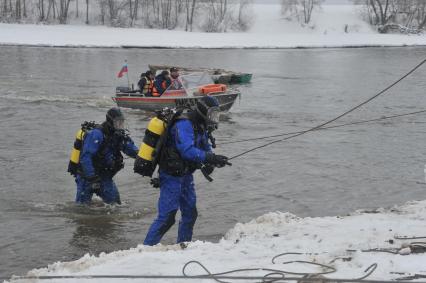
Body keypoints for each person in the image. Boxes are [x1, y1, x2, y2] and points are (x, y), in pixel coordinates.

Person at [143, 96, 231, 246]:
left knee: (190, 213)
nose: (214, 118)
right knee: (167, 217)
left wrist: (213, 160)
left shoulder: (201, 124)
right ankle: (144, 250)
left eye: (216, 114)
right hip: (171, 175)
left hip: (186, 174)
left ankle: (183, 246)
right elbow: (187, 150)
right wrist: (209, 158)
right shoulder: (184, 123)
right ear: (203, 110)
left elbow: (204, 146)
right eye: (212, 113)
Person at [75, 107, 138, 205]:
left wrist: (144, 157)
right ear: (110, 121)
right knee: (81, 209)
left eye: (122, 122)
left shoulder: (119, 136)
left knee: (116, 205)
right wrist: (91, 176)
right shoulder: (96, 134)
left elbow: (131, 149)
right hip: (86, 178)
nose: (120, 125)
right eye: (118, 122)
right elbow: (86, 157)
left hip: (104, 177)